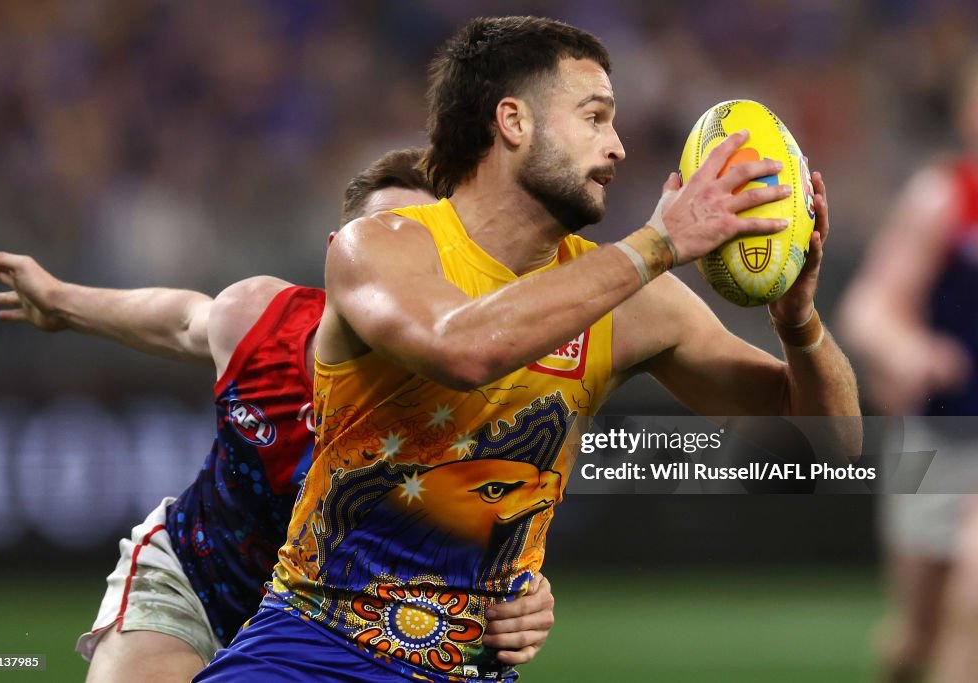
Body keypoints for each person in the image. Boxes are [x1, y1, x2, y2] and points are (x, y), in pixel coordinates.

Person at [196, 15, 860, 683]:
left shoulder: (632, 302)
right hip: (313, 652)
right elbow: (462, 348)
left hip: (475, 670)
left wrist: (798, 321)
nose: (619, 147)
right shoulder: (385, 245)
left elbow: (830, 442)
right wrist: (657, 244)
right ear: (513, 122)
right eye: (595, 117)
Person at [0, 148, 557, 683]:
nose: (404, 272)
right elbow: (183, 321)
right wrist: (60, 301)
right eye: (386, 244)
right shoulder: (262, 322)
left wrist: (528, 598)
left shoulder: (482, 404)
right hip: (198, 583)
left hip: (340, 632)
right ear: (340, 256)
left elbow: (497, 551)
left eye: (428, 251)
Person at [837, 58, 978, 683]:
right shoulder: (946, 197)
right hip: (945, 434)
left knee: (973, 598)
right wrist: (911, 351)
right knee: (914, 637)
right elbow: (868, 309)